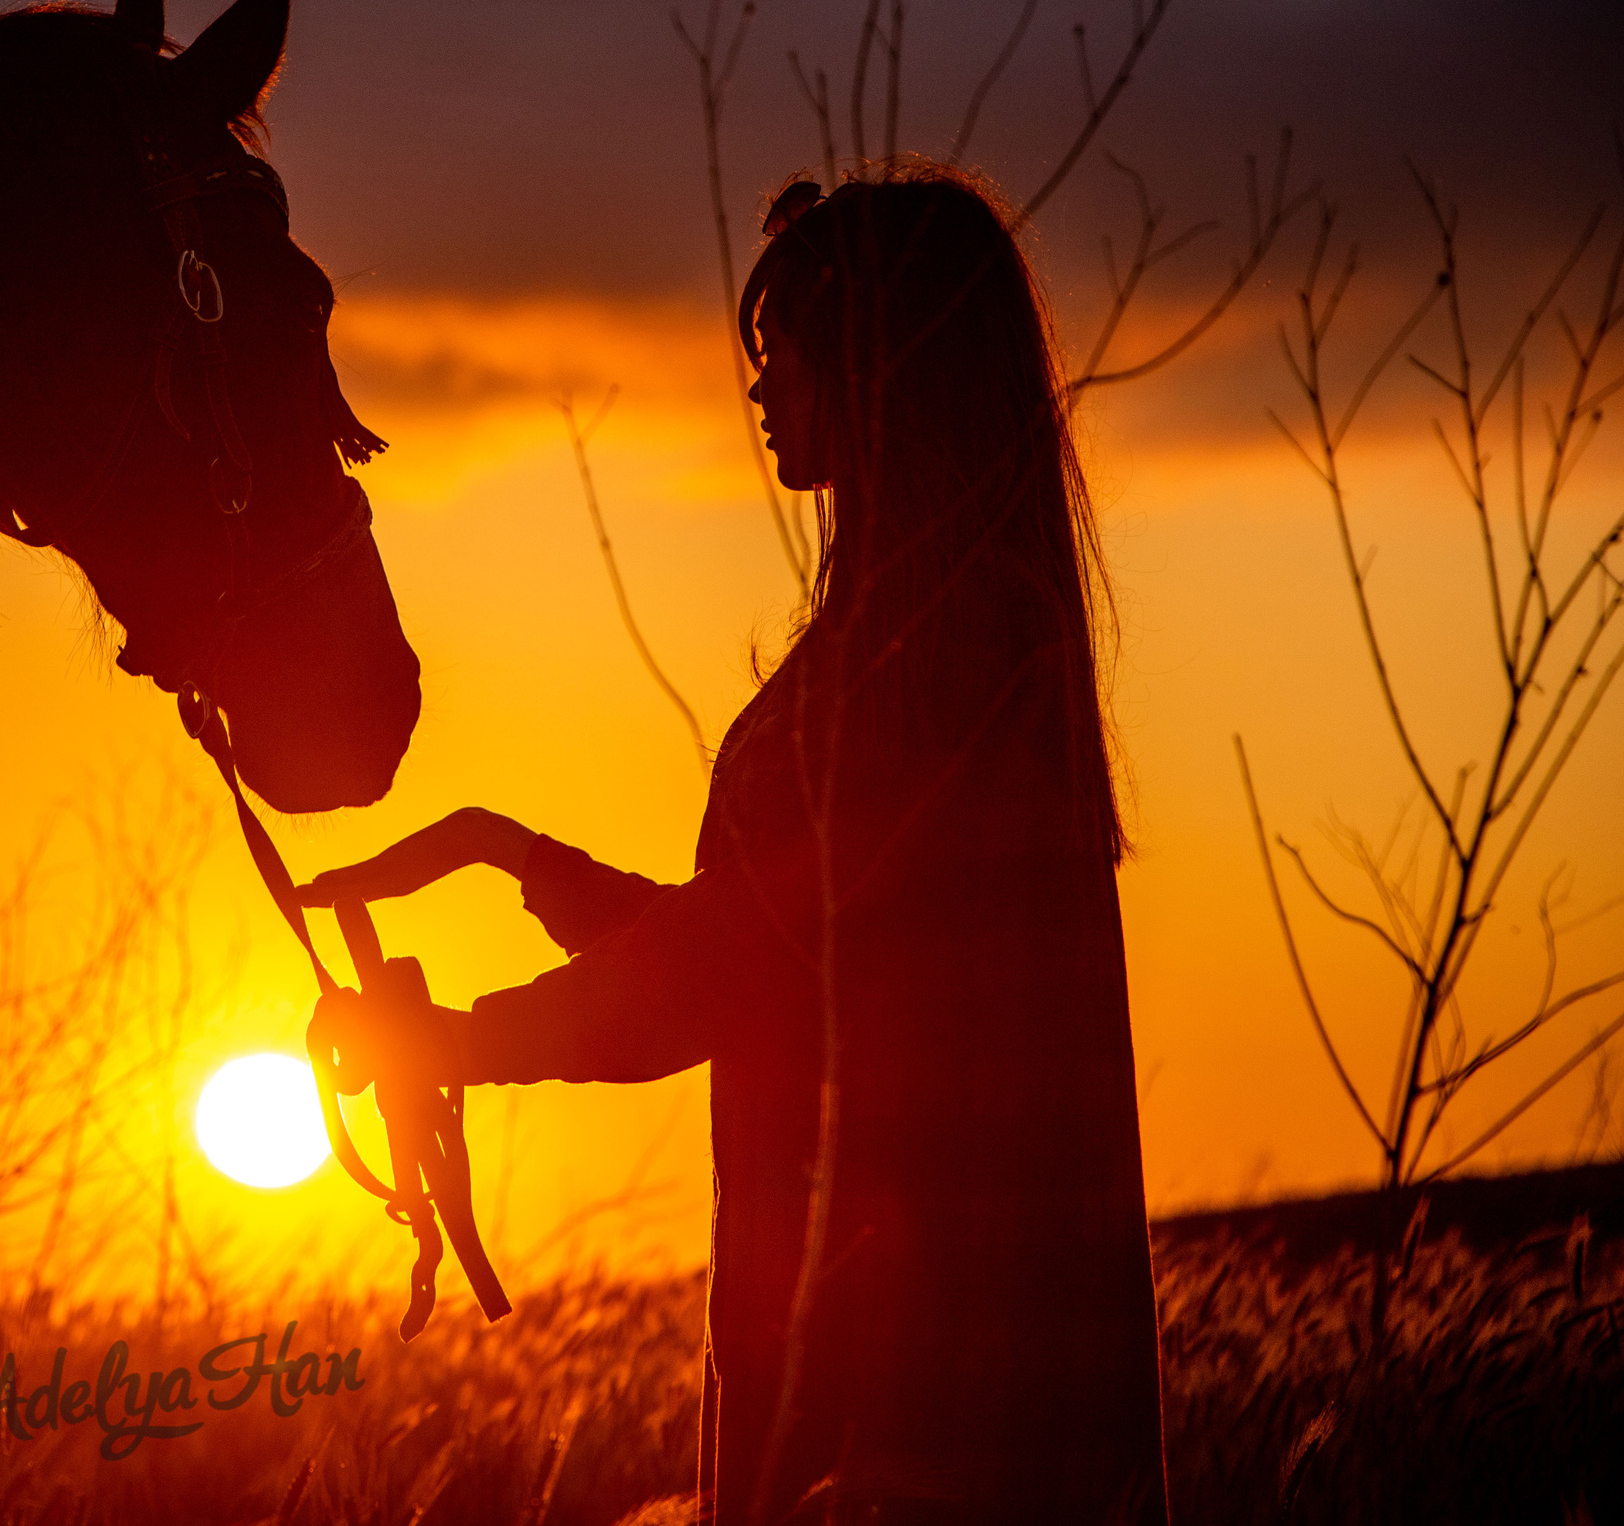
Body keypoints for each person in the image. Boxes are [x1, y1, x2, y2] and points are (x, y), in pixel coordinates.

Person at [299, 162, 1169, 1524]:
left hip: (914, 1419)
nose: (761, 390)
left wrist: (458, 1045)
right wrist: (522, 861)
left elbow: (731, 970)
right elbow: (788, 948)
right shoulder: (955, 637)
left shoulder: (924, 664)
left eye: (787, 352)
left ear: (880, 365)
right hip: (936, 1394)